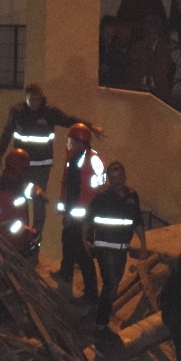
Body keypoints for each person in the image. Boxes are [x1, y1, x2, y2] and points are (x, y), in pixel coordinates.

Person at [0, 85, 83, 242]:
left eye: (36, 99)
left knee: (38, 201)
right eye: (30, 98)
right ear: (26, 98)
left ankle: (35, 238)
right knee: (19, 200)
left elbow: (69, 120)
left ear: (41, 98)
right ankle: (19, 237)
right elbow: (6, 132)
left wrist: (89, 126)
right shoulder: (17, 111)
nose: (33, 102)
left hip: (41, 168)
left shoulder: (49, 112)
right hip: (21, 167)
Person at [85, 161, 146, 330]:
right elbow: (88, 220)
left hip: (121, 249)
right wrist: (85, 240)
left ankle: (102, 312)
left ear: (125, 177)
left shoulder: (132, 196)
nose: (117, 181)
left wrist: (143, 244)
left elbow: (137, 221)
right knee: (111, 284)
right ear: (109, 180)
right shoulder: (102, 197)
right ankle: (101, 323)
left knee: (114, 283)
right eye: (113, 178)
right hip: (105, 248)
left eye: (119, 177)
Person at [56, 125, 106, 299]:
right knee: (68, 242)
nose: (68, 143)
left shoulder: (85, 160)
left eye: (70, 140)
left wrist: (69, 215)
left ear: (78, 141)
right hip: (80, 213)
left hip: (80, 215)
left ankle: (91, 292)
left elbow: (79, 191)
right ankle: (65, 272)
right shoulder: (83, 158)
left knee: (81, 251)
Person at [127, 14, 176, 101]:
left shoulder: (165, 47)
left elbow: (163, 69)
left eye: (154, 28)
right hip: (139, 88)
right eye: (148, 28)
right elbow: (134, 67)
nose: (151, 31)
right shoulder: (137, 46)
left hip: (159, 91)